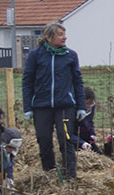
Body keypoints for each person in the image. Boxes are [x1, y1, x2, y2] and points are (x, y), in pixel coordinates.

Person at [21, 22, 85, 182]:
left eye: (64, 34)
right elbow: (27, 81)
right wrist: (28, 107)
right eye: (60, 34)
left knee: (66, 139)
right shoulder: (36, 56)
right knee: (44, 140)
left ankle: (70, 175)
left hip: (64, 107)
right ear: (48, 37)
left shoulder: (70, 55)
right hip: (41, 107)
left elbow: (78, 81)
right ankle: (49, 173)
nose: (65, 37)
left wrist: (81, 106)